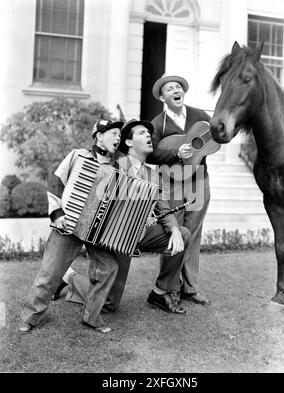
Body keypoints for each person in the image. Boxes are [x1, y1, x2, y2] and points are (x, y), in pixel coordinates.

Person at [55, 119, 191, 315]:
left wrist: (175, 230)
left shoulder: (154, 175)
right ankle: (69, 278)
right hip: (110, 235)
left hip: (140, 233)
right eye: (142, 133)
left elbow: (163, 208)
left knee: (183, 234)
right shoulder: (113, 164)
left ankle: (160, 292)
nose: (148, 136)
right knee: (109, 305)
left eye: (149, 134)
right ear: (128, 142)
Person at [18, 120, 124, 334]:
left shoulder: (117, 167)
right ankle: (30, 317)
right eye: (114, 133)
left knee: (109, 268)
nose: (118, 138)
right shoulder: (78, 155)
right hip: (68, 225)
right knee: (50, 273)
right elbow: (56, 182)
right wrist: (57, 214)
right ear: (99, 135)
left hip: (96, 231)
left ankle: (92, 318)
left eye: (120, 135)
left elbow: (117, 199)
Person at [148, 74, 211, 306]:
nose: (175, 90)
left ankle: (191, 288)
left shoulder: (200, 116)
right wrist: (175, 153)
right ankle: (169, 287)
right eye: (169, 89)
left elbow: (217, 137)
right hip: (172, 183)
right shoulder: (158, 123)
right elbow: (151, 152)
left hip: (198, 180)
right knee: (173, 233)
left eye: (178, 87)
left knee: (193, 233)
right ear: (163, 97)